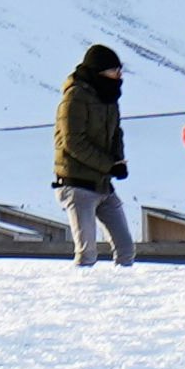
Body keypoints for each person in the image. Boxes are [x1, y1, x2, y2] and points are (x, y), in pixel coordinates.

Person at [54, 44, 133, 267]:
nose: (119, 75)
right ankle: (81, 295)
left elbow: (115, 133)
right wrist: (109, 165)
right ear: (99, 71)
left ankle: (123, 293)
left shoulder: (109, 96)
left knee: (126, 249)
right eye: (114, 71)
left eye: (120, 70)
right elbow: (73, 142)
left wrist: (118, 161)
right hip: (77, 185)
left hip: (102, 184)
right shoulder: (75, 97)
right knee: (87, 253)